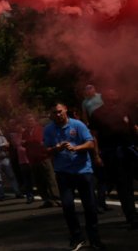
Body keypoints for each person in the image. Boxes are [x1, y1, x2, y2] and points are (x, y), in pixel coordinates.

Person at [44, 102, 104, 250]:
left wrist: (77, 147)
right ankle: (77, 237)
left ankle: (95, 239)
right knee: (68, 206)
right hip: (63, 173)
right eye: (54, 113)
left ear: (65, 110)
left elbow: (90, 143)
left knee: (90, 206)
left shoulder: (78, 125)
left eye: (59, 112)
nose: (57, 115)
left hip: (83, 171)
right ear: (51, 115)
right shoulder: (48, 129)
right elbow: (46, 150)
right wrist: (56, 148)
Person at [88, 89, 137, 230]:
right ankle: (132, 216)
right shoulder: (97, 113)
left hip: (130, 150)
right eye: (108, 96)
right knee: (124, 186)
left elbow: (134, 127)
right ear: (103, 98)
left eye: (113, 95)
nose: (111, 98)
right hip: (112, 154)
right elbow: (94, 136)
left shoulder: (125, 109)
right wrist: (96, 155)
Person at [22, 113, 60, 208]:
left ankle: (56, 198)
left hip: (43, 157)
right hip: (32, 159)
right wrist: (29, 142)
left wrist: (29, 142)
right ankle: (46, 199)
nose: (29, 122)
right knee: (39, 180)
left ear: (34, 121)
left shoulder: (41, 129)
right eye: (27, 121)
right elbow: (24, 143)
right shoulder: (25, 132)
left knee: (50, 178)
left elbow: (39, 141)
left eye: (31, 120)